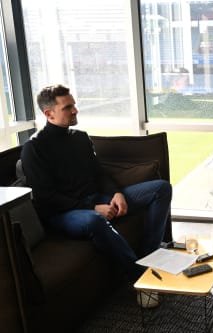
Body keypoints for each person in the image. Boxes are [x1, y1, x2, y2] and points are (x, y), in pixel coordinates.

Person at [21, 84, 172, 306]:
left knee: (161, 188)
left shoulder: (80, 138)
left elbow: (99, 172)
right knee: (95, 219)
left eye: (74, 105)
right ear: (48, 113)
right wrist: (92, 208)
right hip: (64, 213)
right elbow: (45, 198)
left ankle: (150, 255)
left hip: (97, 198)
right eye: (68, 107)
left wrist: (117, 193)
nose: (75, 110)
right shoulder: (33, 148)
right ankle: (139, 277)